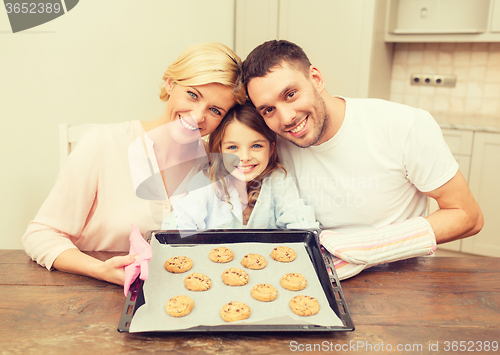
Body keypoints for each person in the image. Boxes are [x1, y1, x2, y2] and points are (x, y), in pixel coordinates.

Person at [242, 40, 483, 279]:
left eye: (291, 94)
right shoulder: (270, 145)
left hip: (399, 278)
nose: (286, 118)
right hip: (314, 277)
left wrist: (370, 247)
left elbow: (468, 215)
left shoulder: (404, 125)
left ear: (315, 79)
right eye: (268, 110)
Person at [22, 42, 246, 285]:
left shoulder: (216, 167)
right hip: (93, 296)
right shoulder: (103, 143)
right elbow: (40, 234)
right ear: (170, 84)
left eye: (215, 110)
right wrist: (101, 270)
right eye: (192, 95)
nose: (198, 116)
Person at [169, 102, 319, 231]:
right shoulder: (207, 182)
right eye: (233, 148)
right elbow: (179, 224)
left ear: (271, 149)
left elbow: (301, 224)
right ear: (219, 150)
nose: (245, 157)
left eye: (256, 145)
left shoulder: (278, 180)